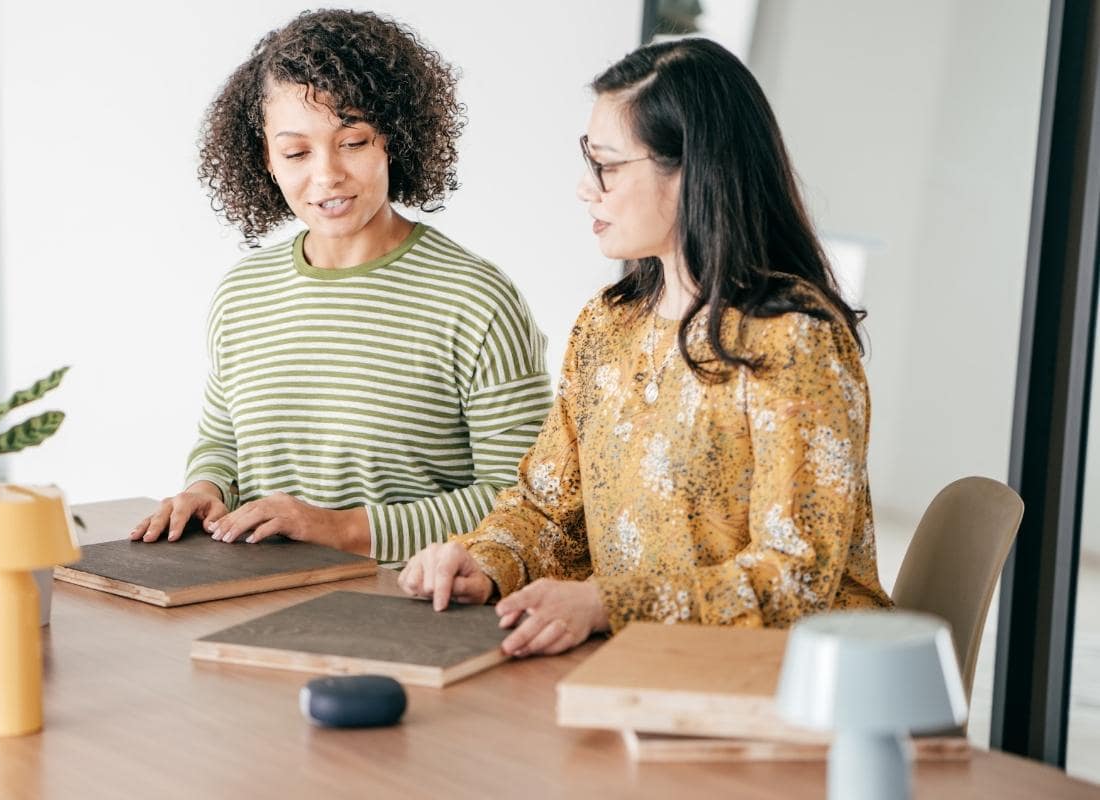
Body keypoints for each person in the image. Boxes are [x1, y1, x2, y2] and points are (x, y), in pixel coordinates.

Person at [399, 37, 893, 656]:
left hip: (791, 680)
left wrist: (608, 603)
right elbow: (550, 513)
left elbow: (795, 579)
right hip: (638, 662)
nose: (586, 187)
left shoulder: (795, 338)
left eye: (606, 164)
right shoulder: (607, 325)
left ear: (692, 170)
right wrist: (486, 560)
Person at [130, 10, 551, 561]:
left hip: (414, 609)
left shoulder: (475, 300)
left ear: (392, 141)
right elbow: (223, 444)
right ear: (266, 160)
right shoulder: (243, 293)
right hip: (256, 603)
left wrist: (339, 528)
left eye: (352, 142)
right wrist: (205, 490)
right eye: (297, 152)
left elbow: (525, 500)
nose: (326, 175)